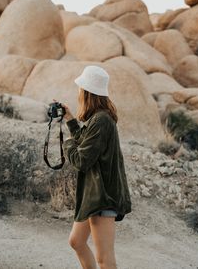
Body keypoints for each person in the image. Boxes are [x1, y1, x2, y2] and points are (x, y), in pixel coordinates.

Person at [62, 65, 132, 269]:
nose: (78, 93)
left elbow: (82, 160)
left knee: (105, 259)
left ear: (87, 92)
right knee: (76, 241)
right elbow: (87, 142)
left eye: (81, 89)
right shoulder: (98, 118)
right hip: (94, 195)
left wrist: (67, 143)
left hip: (103, 196)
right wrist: (70, 120)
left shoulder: (101, 120)